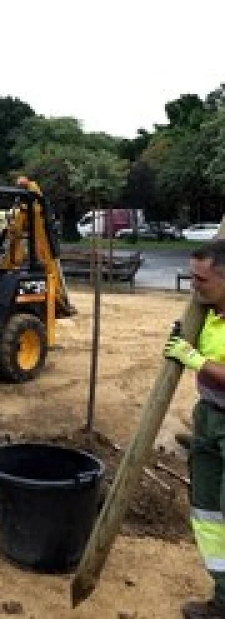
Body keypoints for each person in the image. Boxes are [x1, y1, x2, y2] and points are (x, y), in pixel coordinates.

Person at [164, 238, 225, 619]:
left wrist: (195, 359)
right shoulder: (207, 314)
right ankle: (223, 599)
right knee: (207, 513)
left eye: (200, 280)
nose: (194, 287)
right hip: (209, 417)